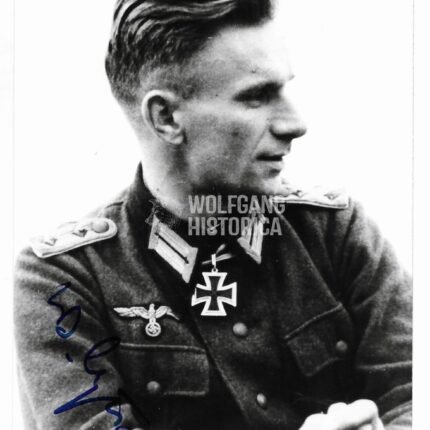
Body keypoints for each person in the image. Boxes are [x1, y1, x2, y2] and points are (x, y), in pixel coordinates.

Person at [14, 0, 411, 429]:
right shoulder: (65, 279)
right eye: (256, 96)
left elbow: (412, 395)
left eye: (284, 90)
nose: (295, 123)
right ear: (166, 118)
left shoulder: (334, 233)